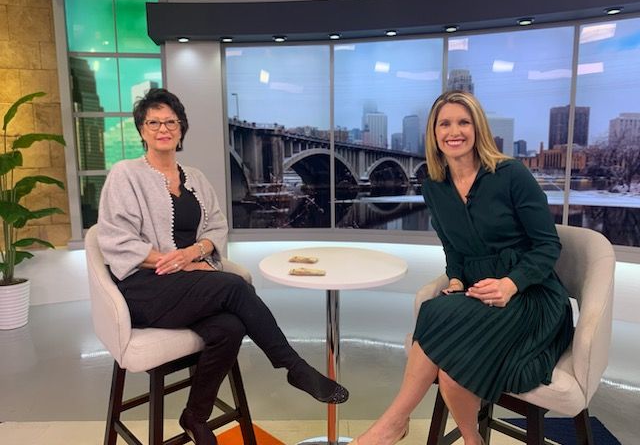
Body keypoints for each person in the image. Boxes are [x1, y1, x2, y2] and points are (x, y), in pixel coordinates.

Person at [97, 88, 348, 445]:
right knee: (234, 286)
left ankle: (195, 417)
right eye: (153, 122)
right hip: (143, 288)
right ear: (141, 130)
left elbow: (216, 227)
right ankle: (294, 367)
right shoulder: (126, 175)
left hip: (187, 285)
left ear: (181, 129)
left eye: (170, 121)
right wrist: (181, 263)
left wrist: (196, 252)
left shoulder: (195, 178)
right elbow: (116, 240)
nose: (162, 128)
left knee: (229, 327)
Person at [352, 90, 574, 445]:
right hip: (477, 295)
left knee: (435, 316)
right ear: (434, 133)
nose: (454, 131)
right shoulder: (434, 187)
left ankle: (392, 423)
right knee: (450, 360)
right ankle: (473, 440)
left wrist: (510, 284)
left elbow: (548, 246)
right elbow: (453, 249)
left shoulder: (511, 174)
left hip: (531, 297)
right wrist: (456, 278)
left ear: (477, 128)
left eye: (463, 122)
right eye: (445, 123)